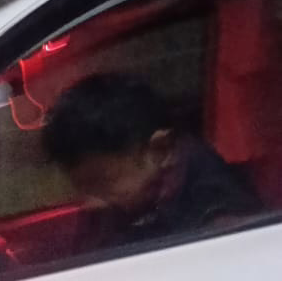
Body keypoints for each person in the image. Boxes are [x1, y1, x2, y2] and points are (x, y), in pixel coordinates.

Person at [42, 72, 262, 245]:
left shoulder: (217, 222)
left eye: (102, 183)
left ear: (160, 150)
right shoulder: (149, 197)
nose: (89, 203)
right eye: (82, 189)